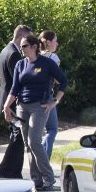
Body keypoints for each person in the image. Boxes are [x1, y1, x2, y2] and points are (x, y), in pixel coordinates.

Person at [2, 34, 68, 191]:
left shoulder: (47, 63)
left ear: (34, 47)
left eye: (24, 46)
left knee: (34, 141)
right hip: (22, 107)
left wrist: (55, 102)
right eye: (22, 46)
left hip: (40, 106)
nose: (22, 48)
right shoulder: (20, 64)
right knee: (27, 145)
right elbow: (15, 88)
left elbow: (63, 81)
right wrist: (6, 106)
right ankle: (36, 181)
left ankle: (49, 178)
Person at [0, 25, 33, 179]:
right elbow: (18, 82)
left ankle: (11, 171)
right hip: (12, 103)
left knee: (17, 137)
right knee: (18, 137)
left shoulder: (6, 50)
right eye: (26, 39)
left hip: (7, 101)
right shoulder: (14, 54)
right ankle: (6, 171)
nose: (27, 43)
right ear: (21, 36)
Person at [39, 30, 61, 160]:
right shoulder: (53, 58)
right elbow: (58, 80)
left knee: (37, 132)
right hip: (47, 96)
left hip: (31, 97)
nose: (57, 43)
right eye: (55, 40)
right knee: (52, 129)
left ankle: (37, 160)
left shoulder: (33, 55)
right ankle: (44, 160)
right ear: (48, 42)